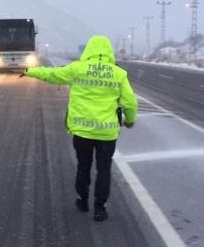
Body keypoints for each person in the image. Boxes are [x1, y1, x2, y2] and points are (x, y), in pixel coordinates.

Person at [21, 35, 137, 221]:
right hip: (107, 133)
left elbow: (52, 75)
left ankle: (82, 200)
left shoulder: (77, 69)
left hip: (82, 131)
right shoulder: (118, 73)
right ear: (108, 51)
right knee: (104, 169)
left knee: (83, 166)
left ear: (88, 50)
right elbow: (130, 102)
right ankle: (100, 208)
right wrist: (130, 120)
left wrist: (29, 71)